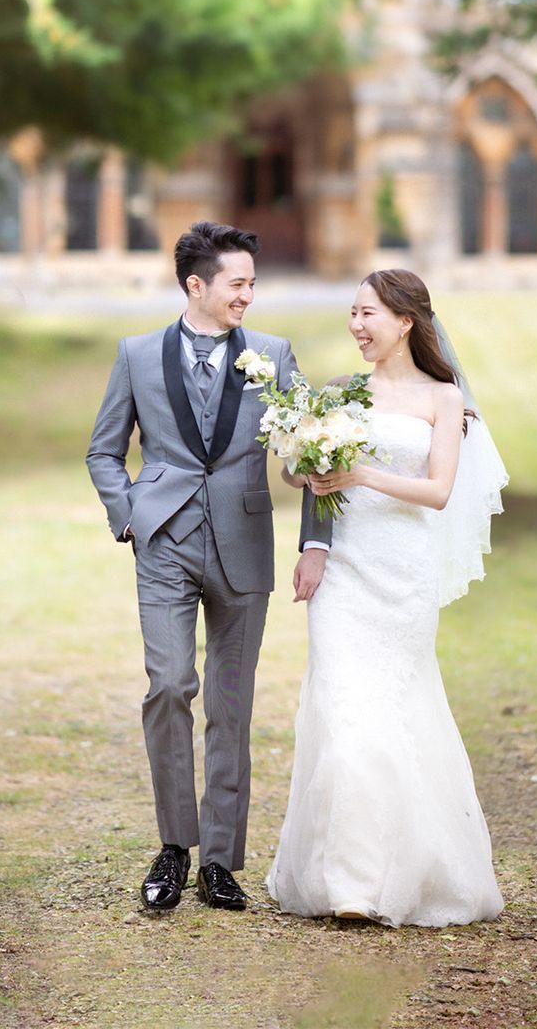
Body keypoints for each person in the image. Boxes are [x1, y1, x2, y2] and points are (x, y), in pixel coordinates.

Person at [85, 221, 331, 911]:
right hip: (163, 545)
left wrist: (316, 543)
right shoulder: (136, 355)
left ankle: (220, 859)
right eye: (239, 282)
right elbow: (103, 450)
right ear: (198, 285)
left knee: (230, 704)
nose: (250, 294)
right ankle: (174, 845)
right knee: (168, 686)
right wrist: (127, 512)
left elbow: (314, 457)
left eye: (253, 282)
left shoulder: (274, 354)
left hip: (243, 550)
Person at [265, 268, 508, 927]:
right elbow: (301, 472)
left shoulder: (444, 397)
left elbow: (439, 491)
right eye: (351, 312)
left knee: (393, 713)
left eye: (367, 313)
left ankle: (410, 865)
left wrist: (362, 471)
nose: (356, 325)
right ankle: (351, 885)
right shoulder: (340, 392)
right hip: (344, 572)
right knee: (344, 716)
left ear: (405, 321)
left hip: (403, 572)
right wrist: (304, 463)